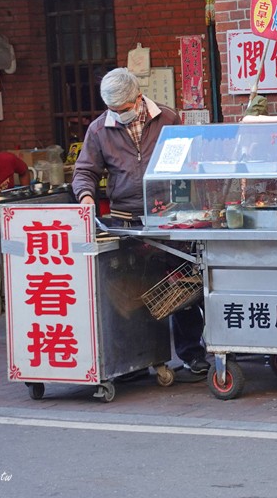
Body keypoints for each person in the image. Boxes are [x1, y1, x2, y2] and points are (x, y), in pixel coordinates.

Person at [72, 68, 209, 383]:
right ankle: (132, 357)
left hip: (168, 215)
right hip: (126, 218)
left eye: (123, 110)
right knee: (130, 289)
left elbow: (188, 163)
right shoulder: (98, 130)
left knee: (181, 284)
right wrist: (85, 196)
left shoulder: (168, 119)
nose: (118, 115)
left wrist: (190, 205)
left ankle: (191, 354)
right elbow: (85, 171)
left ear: (137, 98)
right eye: (112, 110)